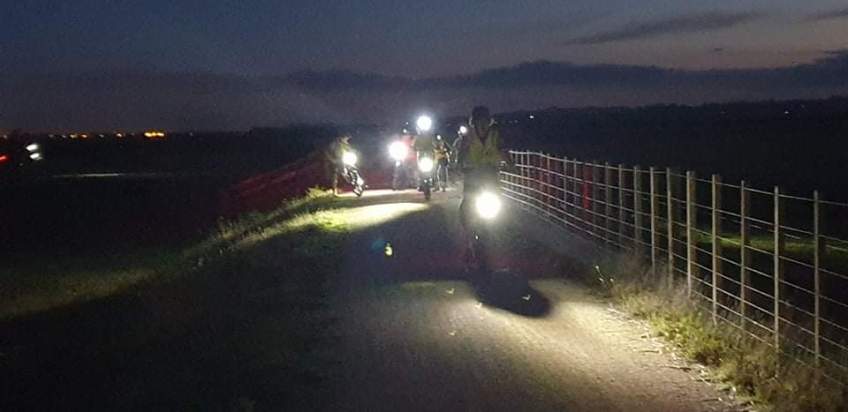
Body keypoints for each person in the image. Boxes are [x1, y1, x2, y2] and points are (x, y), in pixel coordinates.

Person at [457, 105, 506, 231]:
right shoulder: (469, 136)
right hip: (472, 173)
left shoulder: (495, 135)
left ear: (489, 121)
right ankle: (467, 227)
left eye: (485, 120)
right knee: (468, 201)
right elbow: (462, 152)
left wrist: (511, 165)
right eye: (479, 120)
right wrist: (458, 166)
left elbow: (503, 150)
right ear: (474, 122)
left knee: (499, 201)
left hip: (490, 173)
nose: (483, 123)